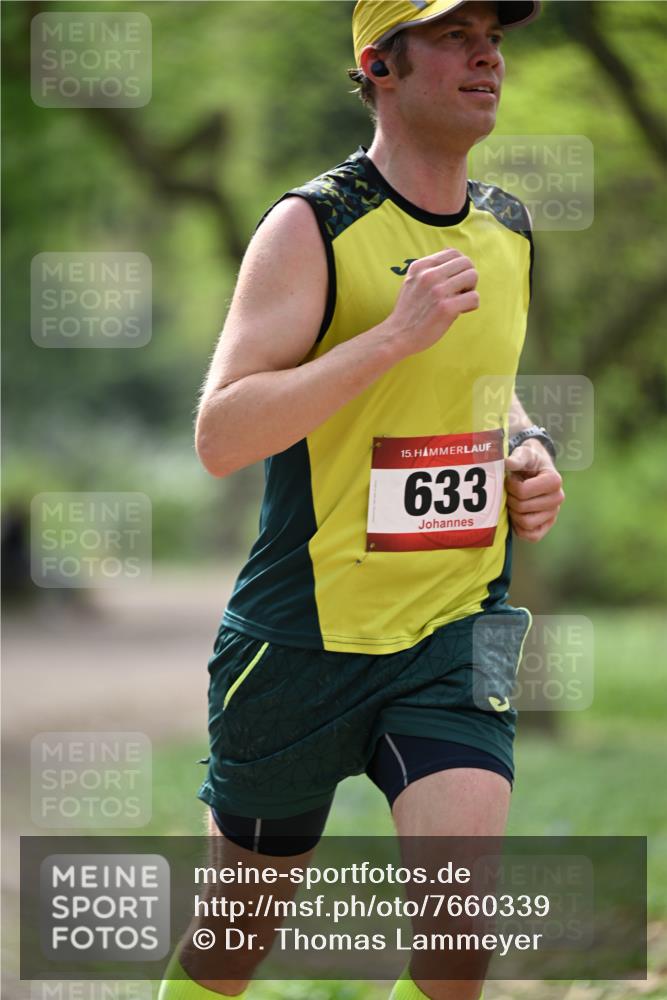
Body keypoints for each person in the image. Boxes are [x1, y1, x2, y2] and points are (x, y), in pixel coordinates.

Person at [160, 1, 564, 998]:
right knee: (229, 948)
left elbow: (484, 381)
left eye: (495, 38)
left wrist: (526, 449)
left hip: (452, 633)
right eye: (455, 34)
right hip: (301, 641)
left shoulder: (507, 228)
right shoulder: (313, 225)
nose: (485, 55)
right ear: (380, 63)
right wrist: (388, 336)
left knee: (456, 947)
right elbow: (222, 434)